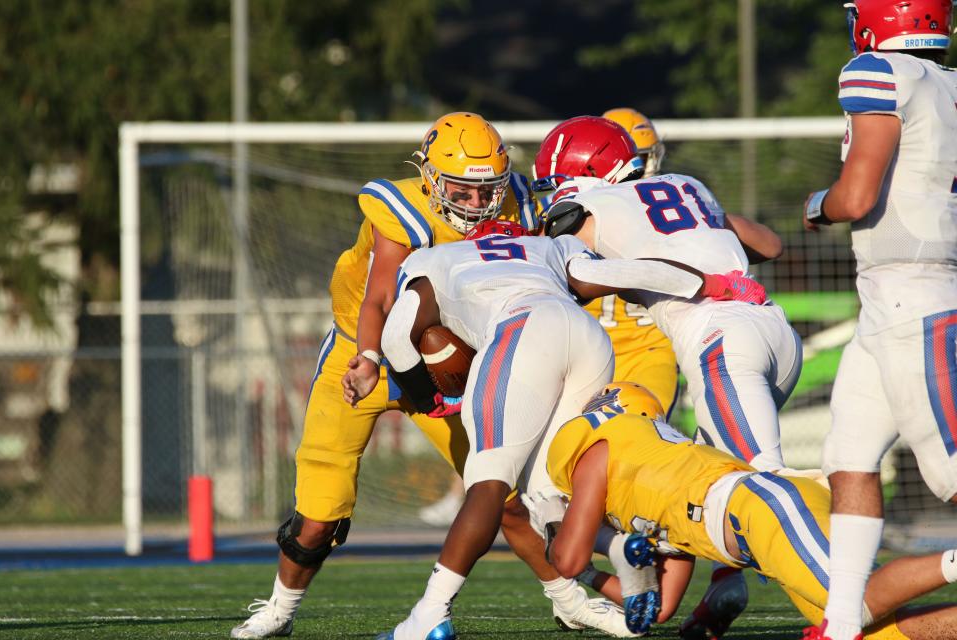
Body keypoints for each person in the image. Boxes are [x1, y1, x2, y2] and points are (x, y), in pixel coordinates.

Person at [345, 219, 765, 640]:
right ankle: (623, 547)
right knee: (549, 496)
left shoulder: (436, 258)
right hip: (587, 338)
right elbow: (629, 272)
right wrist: (711, 284)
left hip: (518, 329)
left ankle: (429, 615)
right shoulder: (549, 248)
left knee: (488, 482)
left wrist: (428, 397)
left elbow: (399, 335)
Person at [230, 112, 539, 639]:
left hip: (445, 362)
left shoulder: (518, 205)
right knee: (319, 515)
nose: (475, 204)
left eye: (485, 190)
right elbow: (378, 298)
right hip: (361, 351)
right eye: (462, 191)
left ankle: (572, 596)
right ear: (431, 179)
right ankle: (280, 609)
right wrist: (370, 359)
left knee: (506, 491)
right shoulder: (402, 212)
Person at [535, 115, 802, 638]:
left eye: (554, 180)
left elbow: (577, 259)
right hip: (774, 332)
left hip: (722, 341)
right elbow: (770, 246)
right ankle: (723, 586)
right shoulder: (689, 186)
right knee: (703, 490)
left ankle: (847, 612)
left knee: (769, 495)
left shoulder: (585, 206)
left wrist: (595, 277)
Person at [541, 381, 957, 640]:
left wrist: (561, 544)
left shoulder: (600, 449)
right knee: (874, 633)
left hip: (760, 507)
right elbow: (659, 606)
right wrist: (594, 574)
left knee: (853, 604)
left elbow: (568, 555)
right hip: (762, 522)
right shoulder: (654, 476)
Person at [802, 2, 957, 639]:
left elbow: (857, 195)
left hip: (912, 300)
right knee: (849, 456)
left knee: (951, 473)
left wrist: (819, 204)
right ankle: (840, 626)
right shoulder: (946, 82)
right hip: (896, 296)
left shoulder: (877, 68)